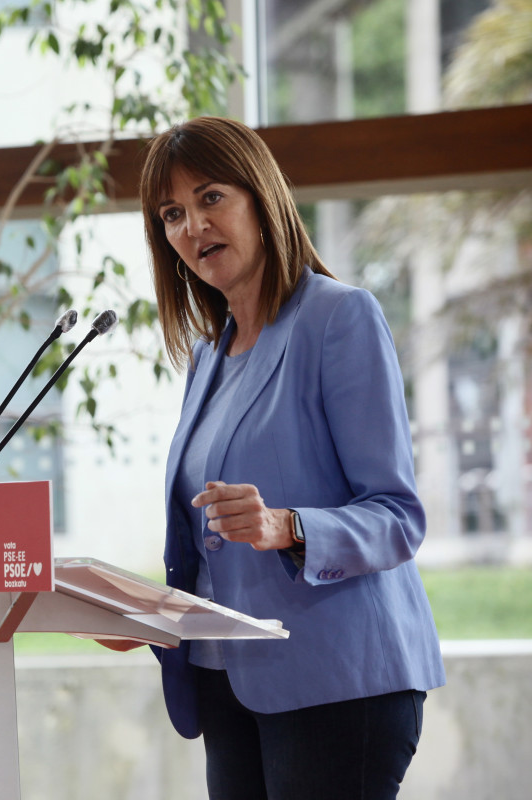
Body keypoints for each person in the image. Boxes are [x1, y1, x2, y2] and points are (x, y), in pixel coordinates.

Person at [137, 116, 445, 799]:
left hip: (339, 681)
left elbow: (397, 515)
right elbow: (206, 545)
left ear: (261, 197)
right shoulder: (206, 358)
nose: (193, 226)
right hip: (227, 683)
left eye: (211, 197)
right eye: (173, 213)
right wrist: (140, 617)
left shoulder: (340, 319)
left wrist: (289, 527)